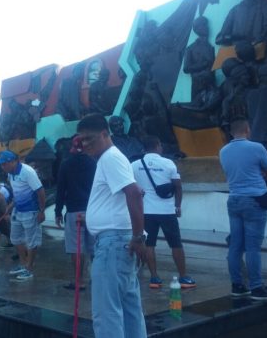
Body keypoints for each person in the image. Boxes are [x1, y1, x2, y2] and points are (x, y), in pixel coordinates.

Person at [77, 113, 148, 338]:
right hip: (118, 241)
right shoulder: (113, 157)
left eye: (90, 138)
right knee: (129, 310)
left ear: (105, 134)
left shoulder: (109, 158)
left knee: (107, 314)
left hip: (112, 244)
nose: (85, 144)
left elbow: (135, 193)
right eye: (82, 140)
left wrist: (139, 237)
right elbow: (122, 198)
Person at [219, 117, 267, 300]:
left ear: (231, 132)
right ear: (247, 129)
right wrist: (259, 175)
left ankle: (237, 285)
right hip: (253, 200)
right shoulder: (257, 148)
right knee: (253, 247)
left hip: (234, 199)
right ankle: (257, 287)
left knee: (235, 246)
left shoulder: (223, 151)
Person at [132, 135, 196, 289]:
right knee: (176, 244)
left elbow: (132, 187)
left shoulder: (134, 165)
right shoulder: (168, 163)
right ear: (158, 145)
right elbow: (178, 186)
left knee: (149, 245)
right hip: (167, 211)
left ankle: (154, 278)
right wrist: (178, 206)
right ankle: (183, 277)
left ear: (144, 148)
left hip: (146, 212)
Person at [55, 136, 96, 291]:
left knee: (76, 248)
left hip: (74, 212)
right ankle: (98, 278)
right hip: (92, 211)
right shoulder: (94, 163)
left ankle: (79, 281)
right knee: (94, 248)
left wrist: (58, 212)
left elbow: (61, 190)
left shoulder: (66, 164)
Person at [0, 150, 46, 280]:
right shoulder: (10, 174)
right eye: (1, 164)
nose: (3, 167)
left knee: (31, 241)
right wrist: (10, 206)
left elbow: (40, 191)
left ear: (14, 161)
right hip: (18, 210)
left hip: (31, 211)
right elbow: (17, 193)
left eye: (5, 164)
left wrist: (42, 211)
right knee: (15, 239)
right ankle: (23, 264)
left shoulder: (27, 172)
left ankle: (29, 269)